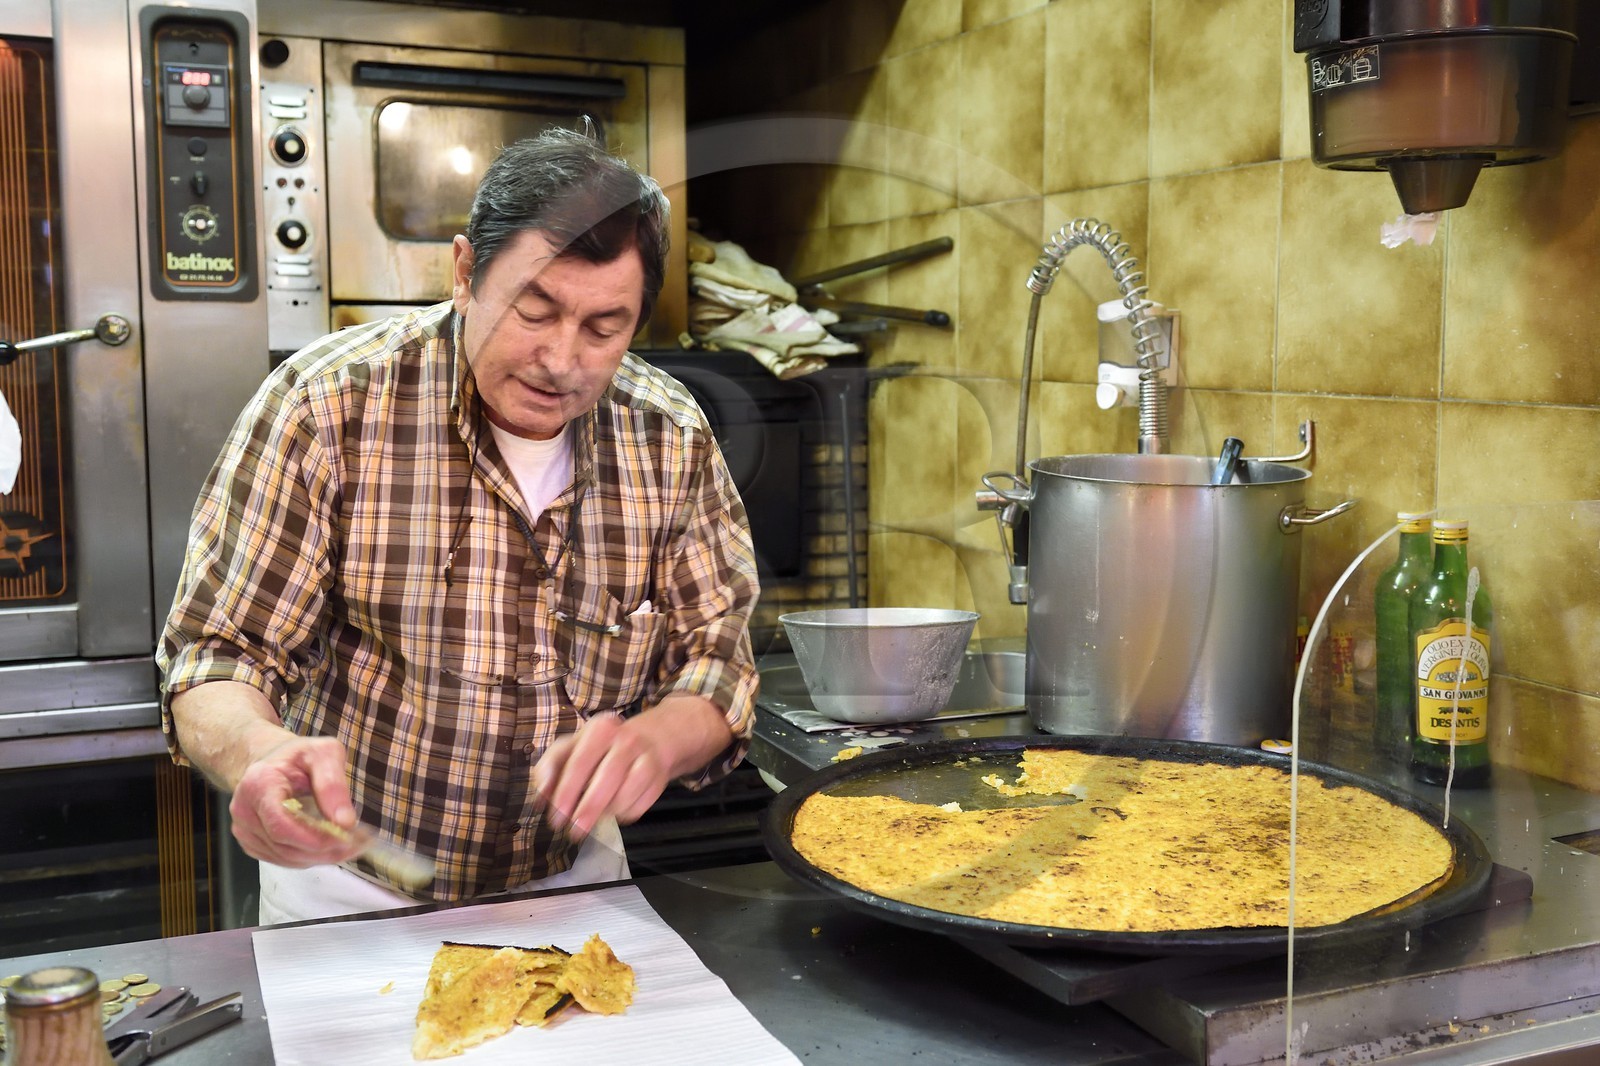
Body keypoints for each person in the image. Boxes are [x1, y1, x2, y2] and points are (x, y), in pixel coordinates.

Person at [156, 128, 760, 924]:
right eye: (533, 310)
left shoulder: (669, 436)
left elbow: (717, 665)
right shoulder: (327, 406)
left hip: (574, 876)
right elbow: (218, 654)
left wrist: (658, 740)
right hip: (347, 883)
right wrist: (261, 754)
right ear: (467, 273)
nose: (561, 359)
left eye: (603, 328)